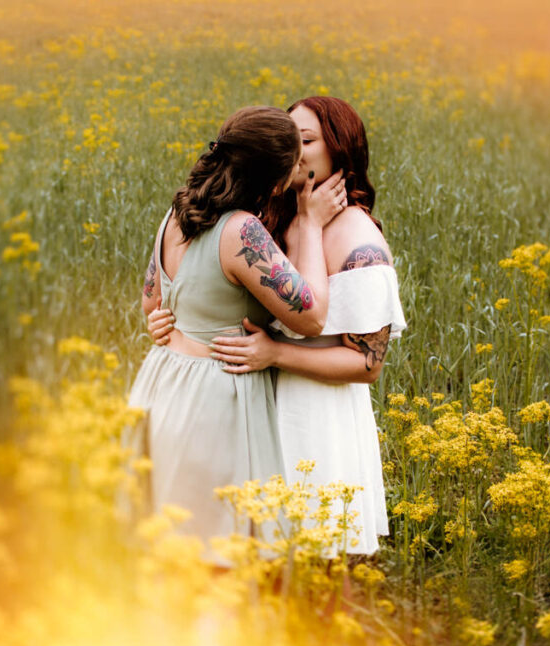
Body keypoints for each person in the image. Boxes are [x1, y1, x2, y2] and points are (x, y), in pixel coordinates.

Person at [148, 97, 405, 557]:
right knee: (229, 559)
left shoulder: (356, 239)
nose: (297, 153)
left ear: (340, 152)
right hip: (237, 407)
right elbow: (307, 313)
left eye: (305, 141)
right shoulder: (255, 227)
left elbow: (368, 362)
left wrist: (271, 351)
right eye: (288, 142)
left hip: (307, 421)